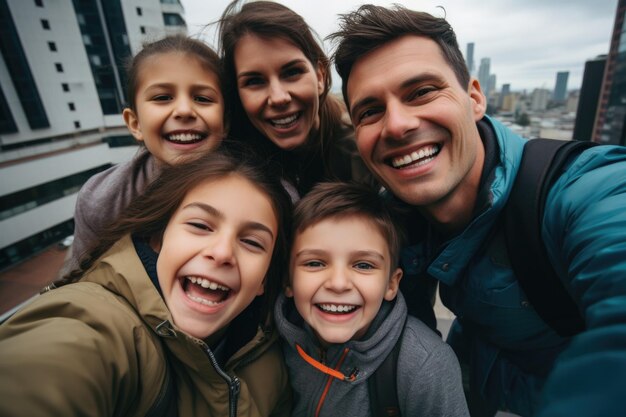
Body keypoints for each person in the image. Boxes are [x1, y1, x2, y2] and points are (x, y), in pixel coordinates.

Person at [329, 4, 626, 417]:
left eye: (421, 92)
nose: (397, 125)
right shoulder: (394, 220)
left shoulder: (583, 191)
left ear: (474, 98)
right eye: (370, 111)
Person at [0, 150, 293, 416]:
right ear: (157, 240)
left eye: (252, 242)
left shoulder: (271, 357)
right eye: (200, 226)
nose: (221, 253)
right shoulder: (93, 322)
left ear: (264, 281)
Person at [274, 181, 469, 417]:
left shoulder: (425, 366)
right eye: (315, 263)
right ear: (287, 281)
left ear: (391, 284)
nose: (338, 283)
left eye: (363, 265)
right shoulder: (272, 342)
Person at [63, 35, 226, 274]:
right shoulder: (103, 199)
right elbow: (81, 281)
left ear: (226, 121)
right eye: (162, 98)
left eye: (202, 98)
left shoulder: (262, 194)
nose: (183, 110)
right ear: (135, 123)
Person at [218, 0, 371, 197]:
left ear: (320, 76)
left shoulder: (362, 154)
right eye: (254, 81)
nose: (278, 97)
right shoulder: (229, 156)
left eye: (292, 72)